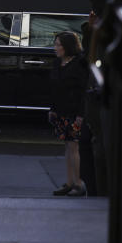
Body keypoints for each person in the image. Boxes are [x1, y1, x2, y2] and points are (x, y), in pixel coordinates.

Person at [48, 31, 89, 197]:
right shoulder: (58, 63)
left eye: (58, 45)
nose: (55, 48)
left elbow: (83, 91)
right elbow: (55, 89)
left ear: (67, 47)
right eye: (56, 44)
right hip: (61, 110)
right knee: (68, 146)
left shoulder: (79, 64)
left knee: (73, 146)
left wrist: (81, 113)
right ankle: (70, 181)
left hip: (73, 111)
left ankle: (78, 183)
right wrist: (52, 109)